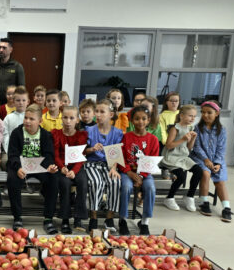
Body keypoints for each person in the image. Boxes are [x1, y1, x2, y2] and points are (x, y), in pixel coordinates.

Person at [7, 104, 59, 234]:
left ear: (40, 121)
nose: (27, 121)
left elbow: (49, 155)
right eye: (26, 118)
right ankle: (17, 217)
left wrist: (49, 167)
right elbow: (12, 154)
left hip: (40, 166)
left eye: (31, 119)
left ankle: (48, 219)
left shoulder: (46, 135)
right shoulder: (17, 133)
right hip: (22, 166)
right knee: (12, 179)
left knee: (53, 179)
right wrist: (18, 168)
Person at [119, 106, 160, 235]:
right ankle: (123, 220)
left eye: (144, 119)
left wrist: (141, 176)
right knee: (125, 187)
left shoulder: (153, 140)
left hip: (145, 173)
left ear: (148, 120)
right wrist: (129, 173)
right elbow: (121, 158)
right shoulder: (126, 137)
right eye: (137, 119)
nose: (140, 122)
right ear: (132, 121)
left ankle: (144, 222)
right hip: (127, 172)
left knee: (151, 188)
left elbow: (152, 161)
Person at [84, 99, 123, 232]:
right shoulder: (89, 130)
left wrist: (113, 168)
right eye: (97, 111)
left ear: (111, 115)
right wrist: (92, 149)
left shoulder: (117, 133)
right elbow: (83, 151)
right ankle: (93, 217)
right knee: (96, 182)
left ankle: (109, 217)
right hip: (92, 164)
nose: (98, 115)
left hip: (109, 164)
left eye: (102, 112)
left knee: (115, 181)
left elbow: (116, 154)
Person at [191, 101, 232, 222]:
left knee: (220, 181)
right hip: (200, 158)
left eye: (209, 112)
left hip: (216, 159)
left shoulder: (222, 130)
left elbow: (221, 148)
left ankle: (226, 208)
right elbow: (197, 147)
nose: (205, 115)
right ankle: (204, 202)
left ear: (217, 113)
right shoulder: (198, 128)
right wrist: (206, 160)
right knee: (206, 173)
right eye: (203, 112)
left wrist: (218, 163)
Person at [52, 105, 89, 233]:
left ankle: (78, 218)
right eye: (65, 118)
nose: (68, 121)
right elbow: (55, 155)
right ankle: (65, 219)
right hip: (62, 165)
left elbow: (81, 156)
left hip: (77, 166)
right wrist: (62, 168)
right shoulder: (56, 134)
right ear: (61, 119)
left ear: (77, 120)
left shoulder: (81, 135)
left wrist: (75, 171)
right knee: (64, 184)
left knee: (83, 183)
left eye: (71, 118)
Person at [161, 104, 202, 212]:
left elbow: (188, 148)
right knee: (181, 177)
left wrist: (193, 139)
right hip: (171, 157)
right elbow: (169, 145)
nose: (192, 118)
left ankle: (189, 196)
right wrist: (183, 138)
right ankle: (169, 198)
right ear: (182, 116)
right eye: (190, 116)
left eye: (194, 116)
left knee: (198, 171)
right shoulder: (175, 128)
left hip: (183, 156)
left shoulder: (191, 128)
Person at [0, 38, 25, 105]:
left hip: (11, 103)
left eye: (4, 48)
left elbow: (21, 89)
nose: (1, 50)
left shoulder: (17, 66)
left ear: (10, 50)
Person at [2, 86, 29, 155]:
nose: (21, 103)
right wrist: (10, 151)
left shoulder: (31, 117)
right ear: (13, 102)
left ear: (28, 102)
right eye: (18, 100)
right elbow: (5, 135)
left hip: (28, 150)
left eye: (23, 100)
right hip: (12, 150)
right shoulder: (8, 118)